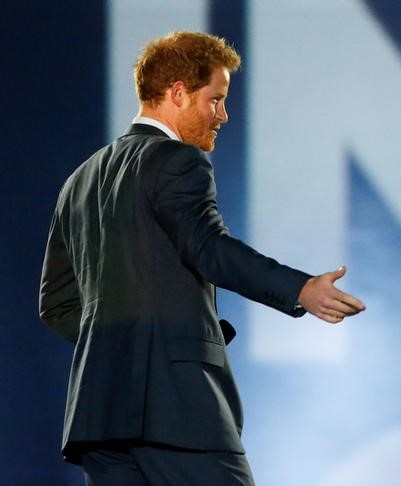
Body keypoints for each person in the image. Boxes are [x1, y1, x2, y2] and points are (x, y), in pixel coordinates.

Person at [39, 31, 365, 485]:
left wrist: (127, 347)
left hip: (99, 417)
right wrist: (300, 288)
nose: (223, 115)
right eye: (216, 99)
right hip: (176, 411)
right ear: (177, 93)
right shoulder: (176, 160)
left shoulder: (79, 180)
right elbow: (207, 246)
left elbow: (55, 303)